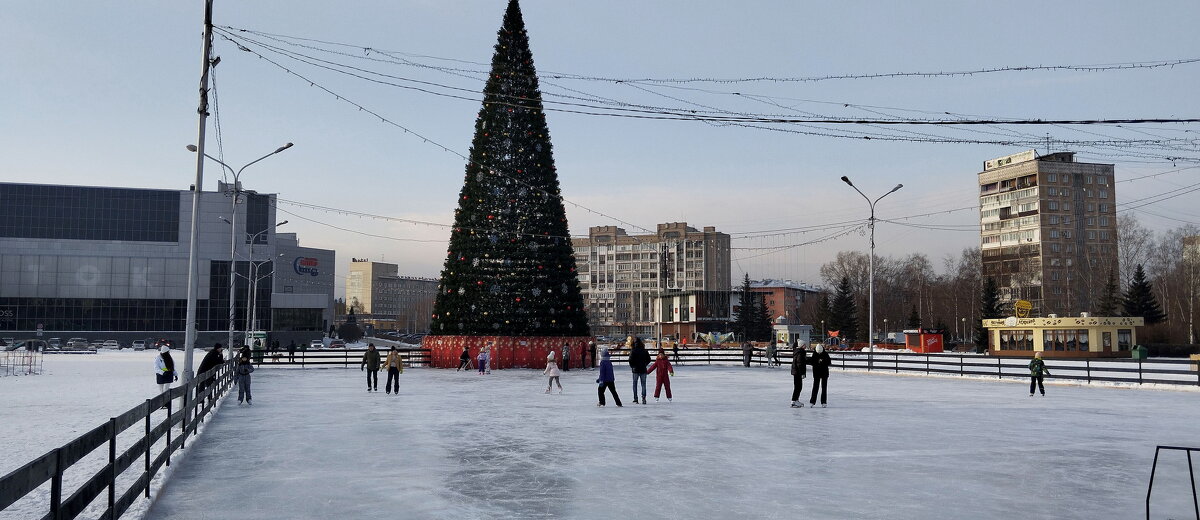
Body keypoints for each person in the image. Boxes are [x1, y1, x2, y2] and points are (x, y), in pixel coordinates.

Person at [628, 337, 651, 404]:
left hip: (635, 370)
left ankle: (636, 398)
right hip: (643, 369)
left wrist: (632, 366)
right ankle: (643, 398)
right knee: (643, 384)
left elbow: (630, 360)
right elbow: (649, 359)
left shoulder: (633, 351)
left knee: (635, 384)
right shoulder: (644, 351)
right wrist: (645, 364)